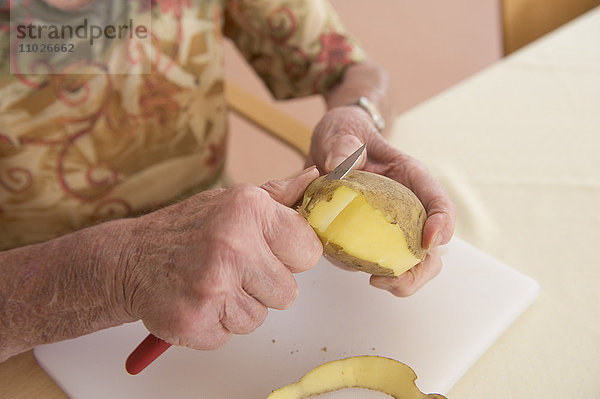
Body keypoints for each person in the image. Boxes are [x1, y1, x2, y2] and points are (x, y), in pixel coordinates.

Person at [0, 0, 455, 362]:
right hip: (34, 325)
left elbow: (351, 69)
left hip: (227, 252)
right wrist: (119, 271)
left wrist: (360, 113)